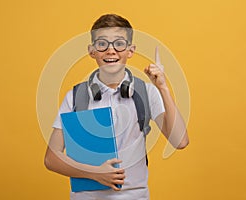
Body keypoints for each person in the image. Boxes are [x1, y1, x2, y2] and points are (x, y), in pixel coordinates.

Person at [44, 13, 189, 200]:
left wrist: (162, 87)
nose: (111, 51)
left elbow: (180, 141)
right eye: (102, 44)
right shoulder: (75, 96)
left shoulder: (147, 92)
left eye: (119, 44)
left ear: (130, 50)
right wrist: (94, 173)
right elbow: (51, 158)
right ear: (92, 51)